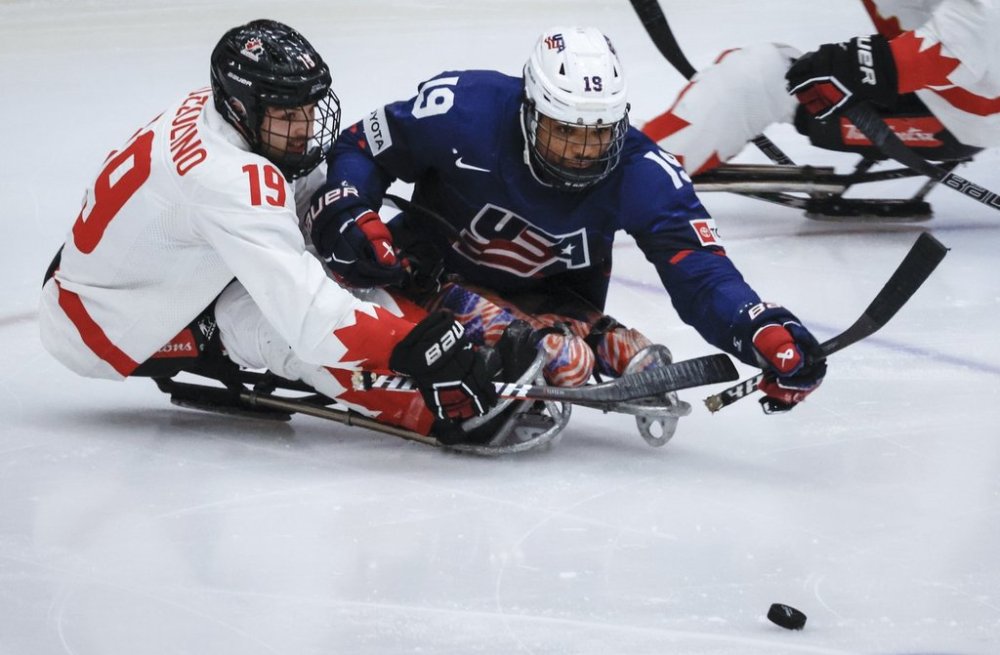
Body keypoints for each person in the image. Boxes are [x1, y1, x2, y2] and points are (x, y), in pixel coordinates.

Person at [306, 25, 827, 419]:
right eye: (565, 132)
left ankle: (584, 334)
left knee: (583, 357)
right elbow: (361, 146)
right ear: (529, 111)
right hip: (430, 276)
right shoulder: (462, 109)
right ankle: (547, 341)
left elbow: (702, 273)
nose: (582, 152)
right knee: (566, 360)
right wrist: (352, 212)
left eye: (598, 134)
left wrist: (757, 326)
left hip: (556, 298)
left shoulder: (643, 171)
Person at [38, 19, 500, 440]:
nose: (305, 126)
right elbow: (314, 323)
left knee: (329, 276)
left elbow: (285, 189)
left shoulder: (216, 112)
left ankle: (451, 348)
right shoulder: (225, 179)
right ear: (244, 108)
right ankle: (436, 408)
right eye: (287, 115)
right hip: (110, 325)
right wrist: (411, 346)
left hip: (129, 274)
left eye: (308, 109)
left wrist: (347, 225)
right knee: (277, 325)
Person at [643, 0, 1000, 175]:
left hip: (948, 117)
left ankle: (624, 179)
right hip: (945, 93)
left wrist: (856, 68)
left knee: (759, 75)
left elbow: (958, 46)